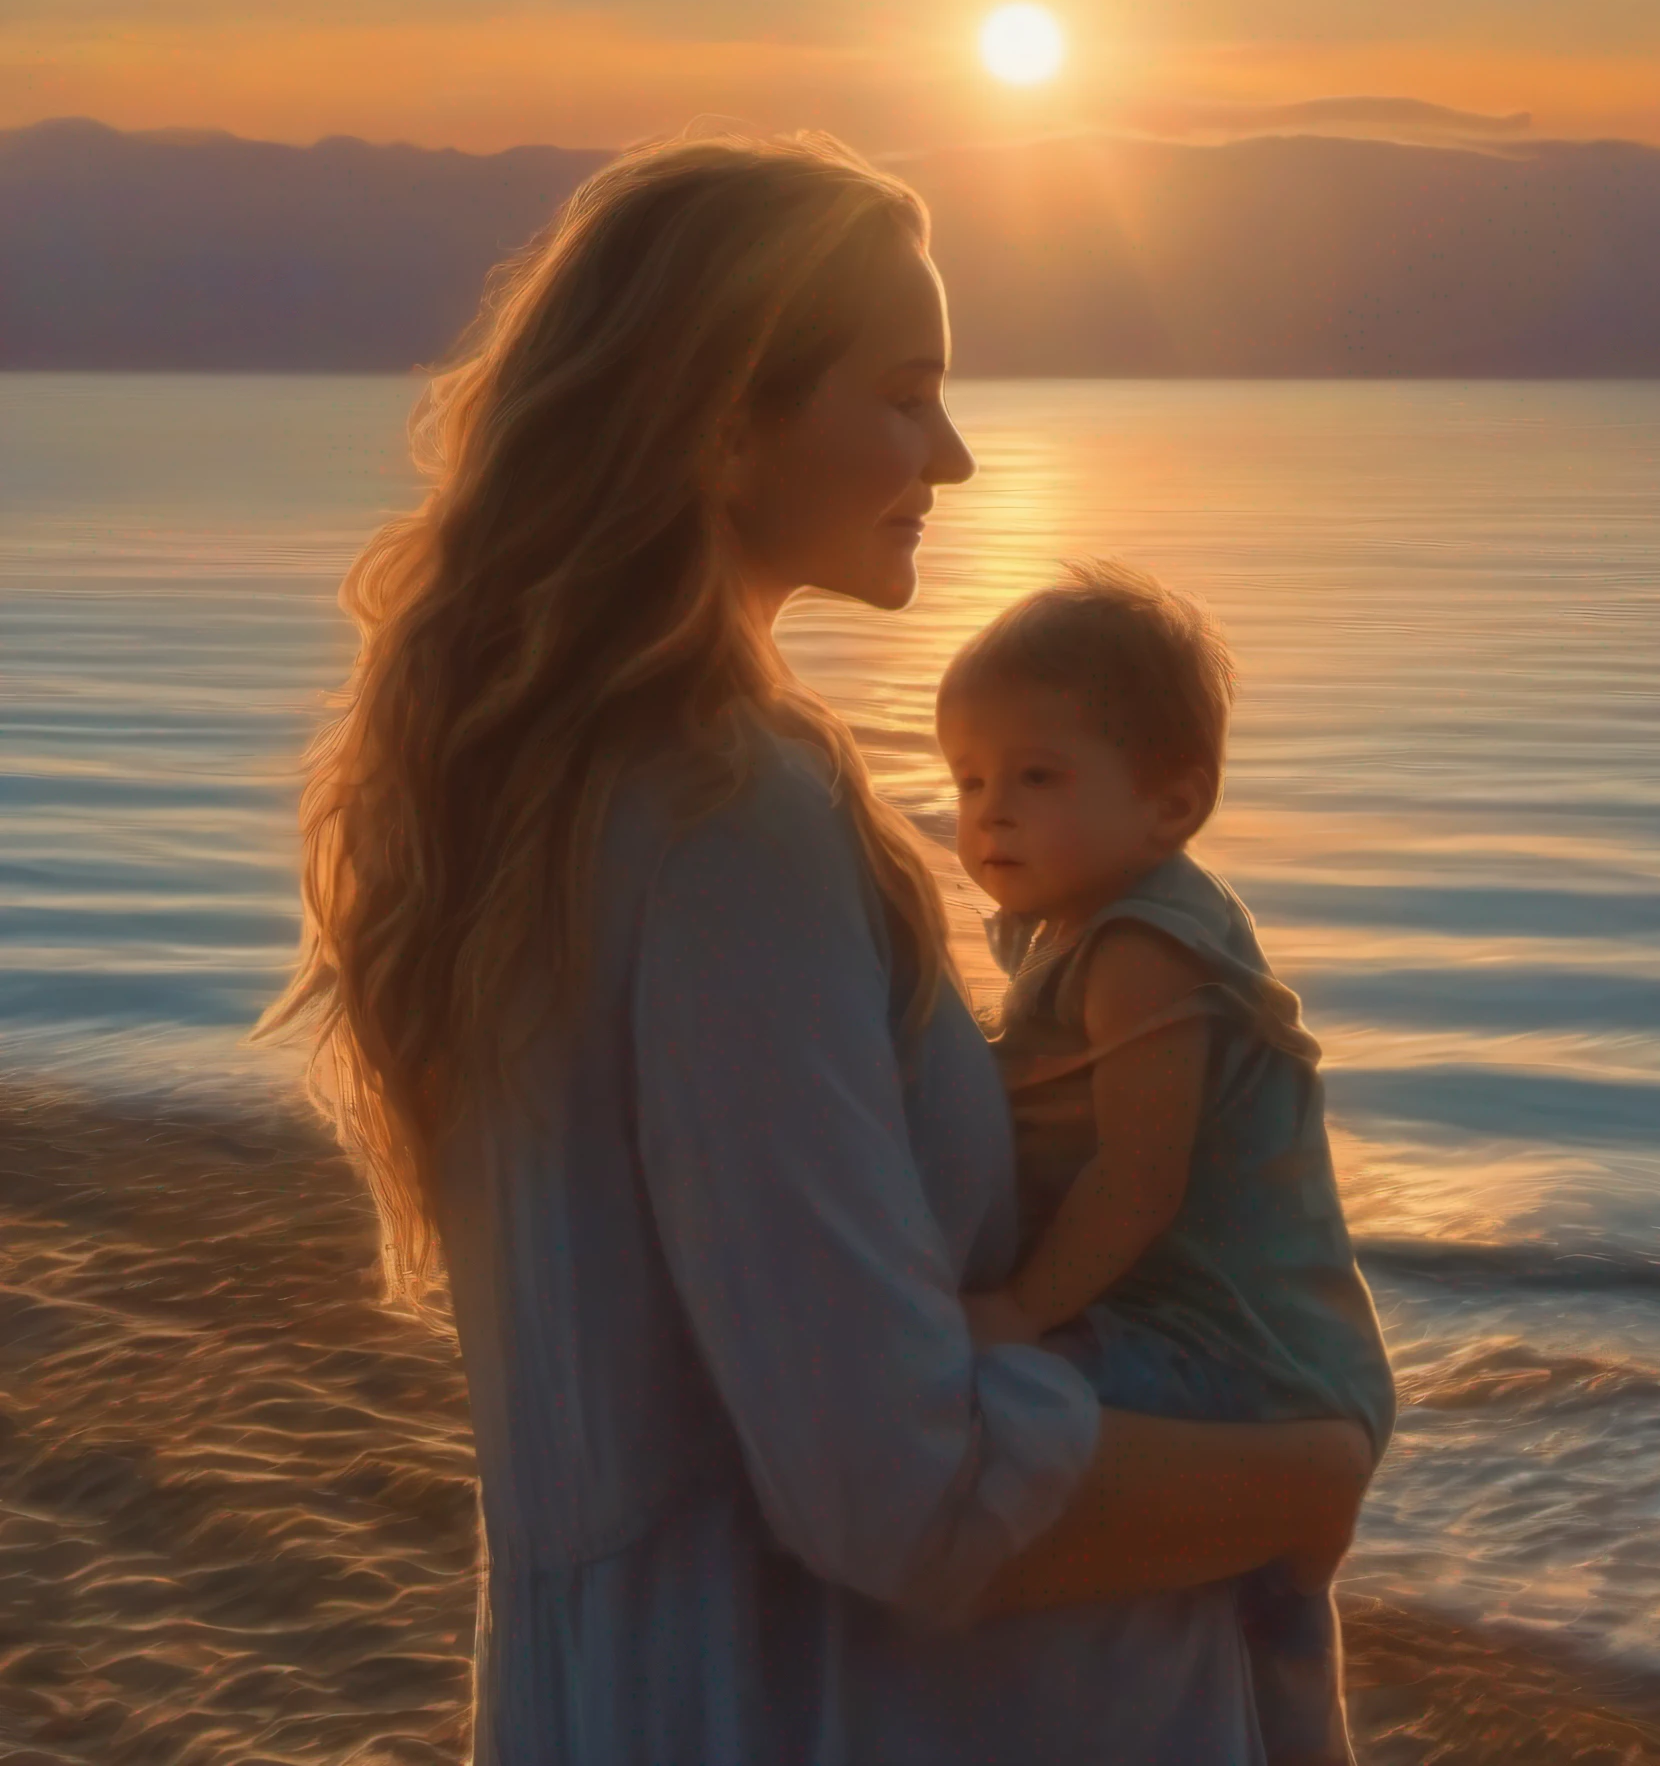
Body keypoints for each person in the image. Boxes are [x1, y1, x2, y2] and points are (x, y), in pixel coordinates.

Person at [259, 130, 1373, 1765]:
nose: (959, 455)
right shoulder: (726, 807)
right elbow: (892, 1487)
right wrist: (1303, 1478)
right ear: (726, 425)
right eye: (905, 391)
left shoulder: (540, 796)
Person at [936, 562, 1399, 1766]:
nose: (988, 811)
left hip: (1242, 1348)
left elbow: (1137, 1182)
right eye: (968, 778)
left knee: (975, 1429)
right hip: (1226, 1332)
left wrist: (1020, 1312)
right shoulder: (1087, 921)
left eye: (1037, 777)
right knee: (1271, 1659)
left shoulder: (1143, 948)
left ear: (1170, 802)